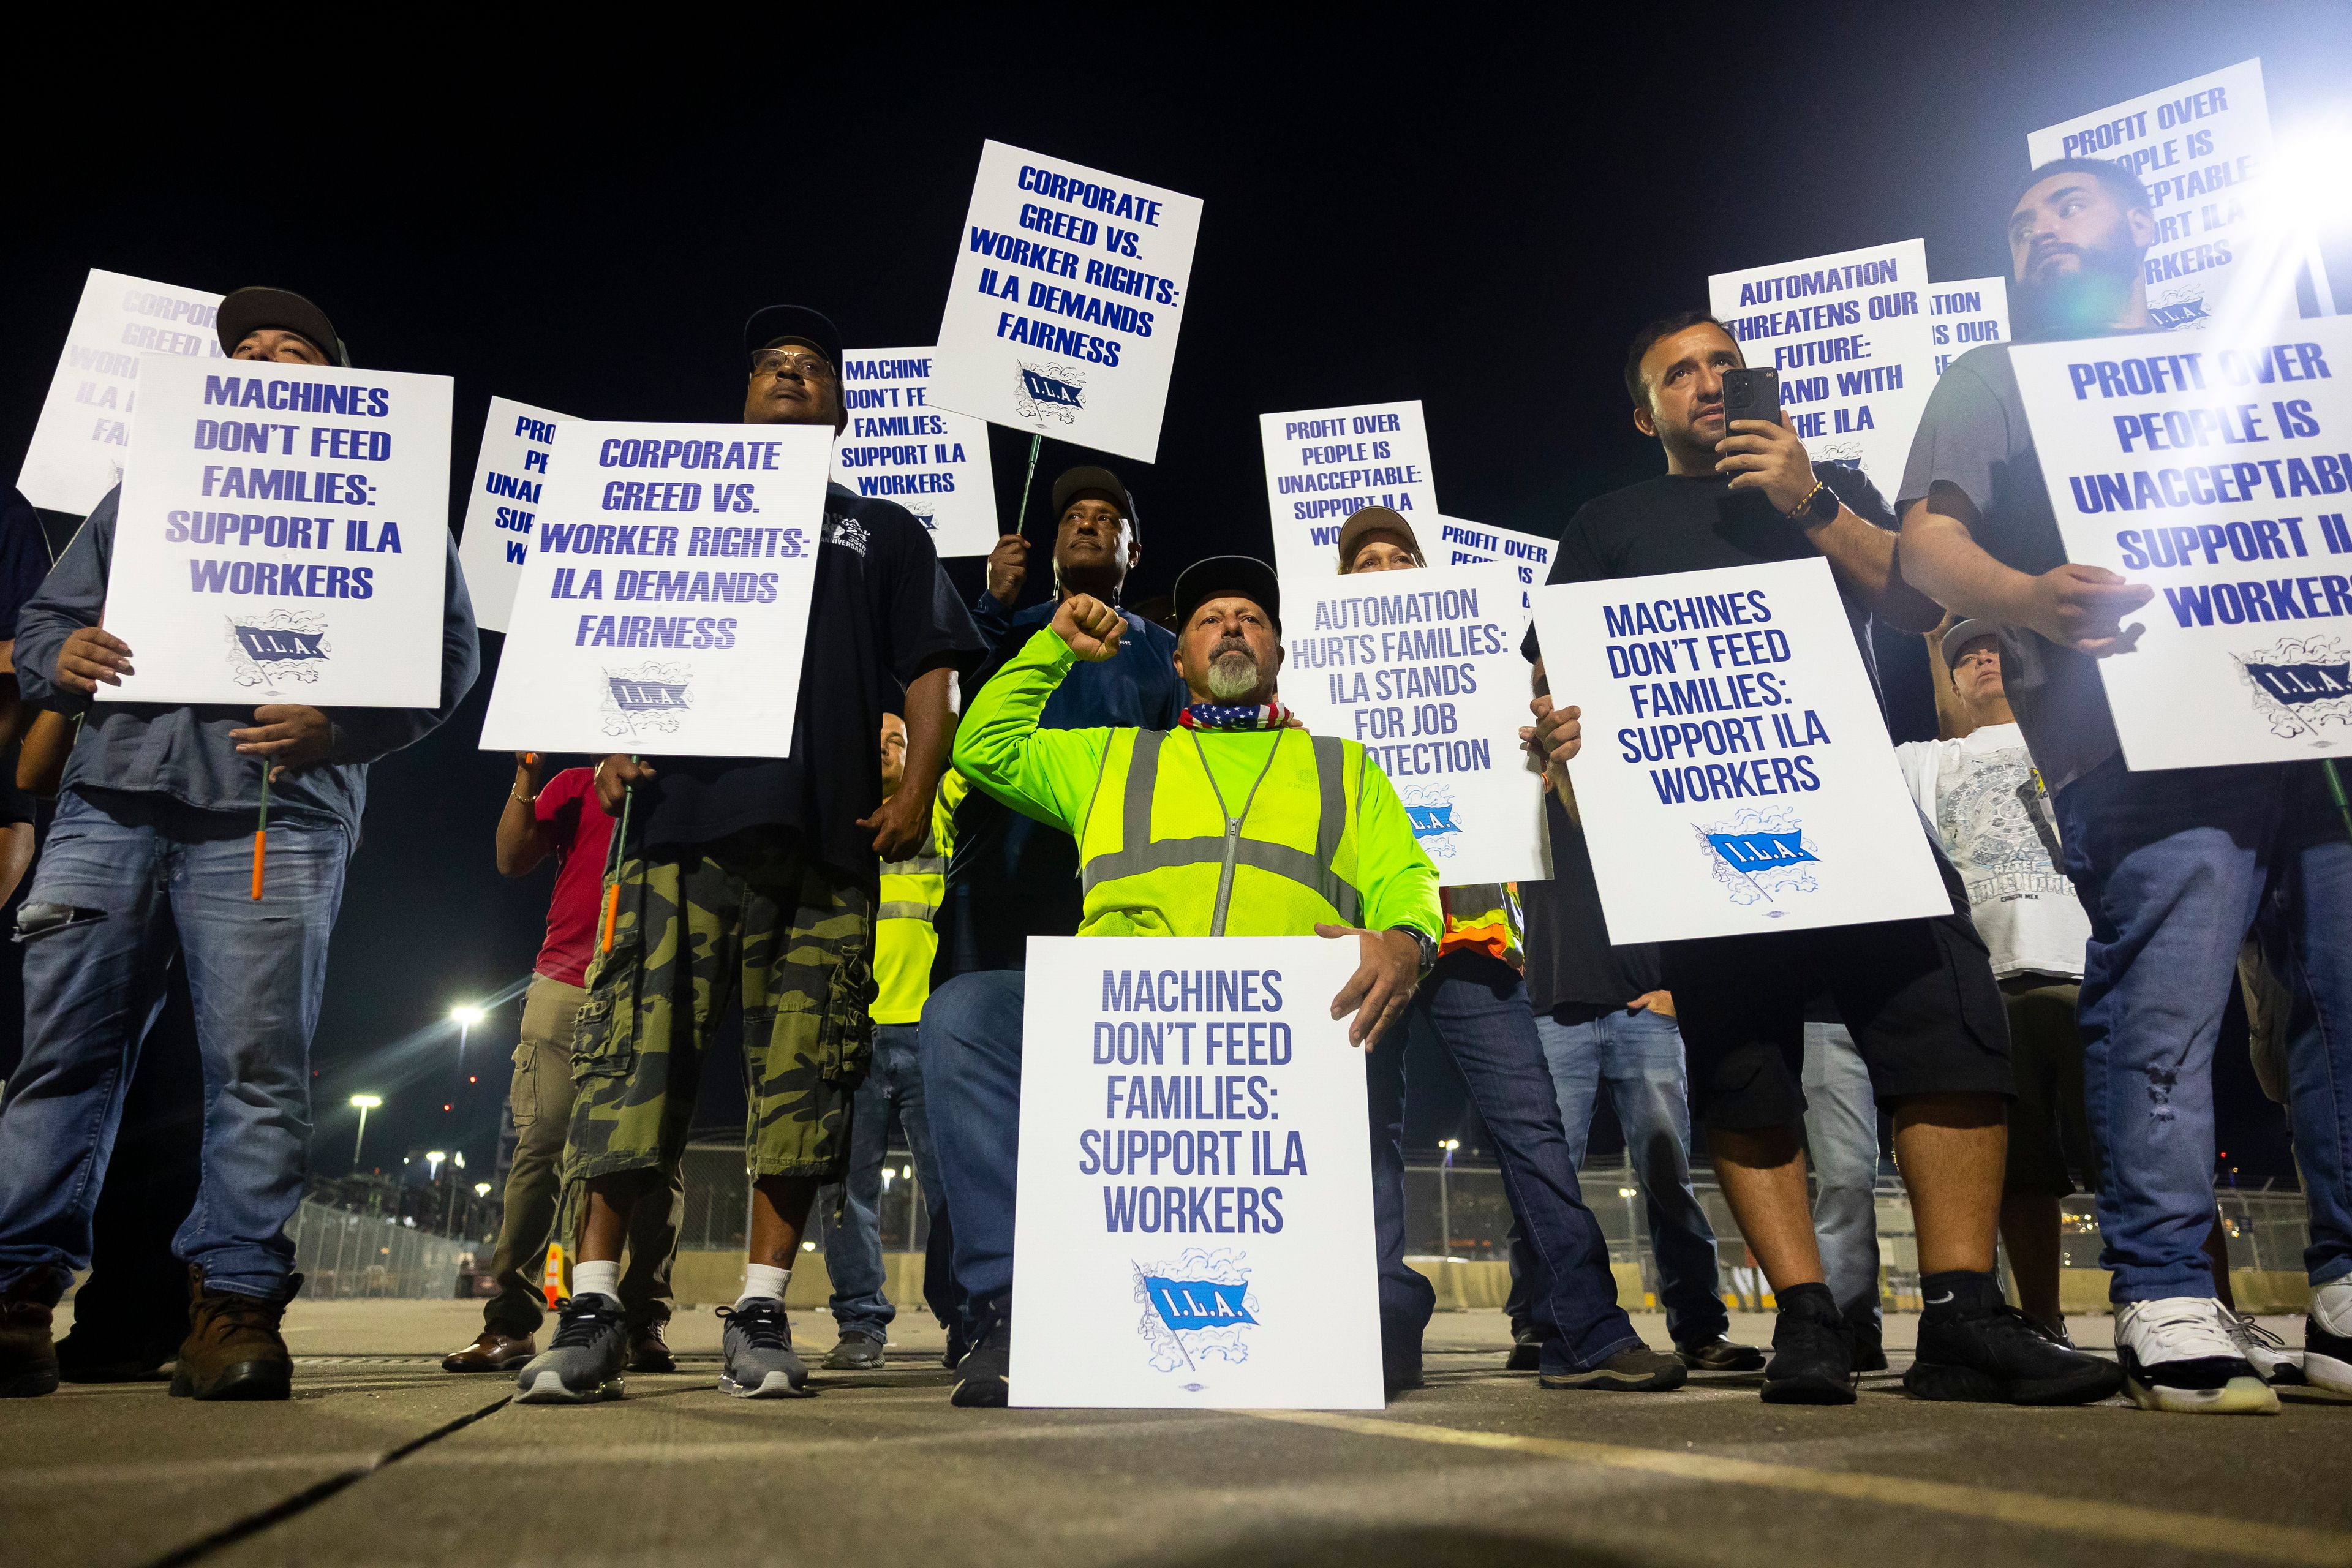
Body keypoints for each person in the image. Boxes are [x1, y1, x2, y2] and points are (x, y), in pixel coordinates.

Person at [1528, 311, 2120, 1407]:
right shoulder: (1608, 521)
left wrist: (1809, 499)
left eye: (1724, 366)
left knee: (1948, 1026)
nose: (1710, 384)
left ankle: (1961, 1317)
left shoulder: (1825, 481)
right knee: (1744, 1064)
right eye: (1681, 374)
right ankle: (1805, 1317)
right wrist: (1556, 742)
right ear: (1644, 410)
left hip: (1851, 812)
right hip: (1705, 831)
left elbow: (1917, 600)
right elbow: (1558, 679)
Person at [1898, 157, 2352, 1410]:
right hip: (2129, 743)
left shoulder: (2251, 355)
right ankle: (2159, 1289)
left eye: (2068, 206)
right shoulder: (1991, 376)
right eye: (2020, 217)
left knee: (2338, 1004)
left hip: (2304, 735)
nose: (2039, 227)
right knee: (2164, 1013)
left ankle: (2345, 1291)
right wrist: (2032, 597)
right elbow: (1930, 544)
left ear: (2142, 224)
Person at [0, 287, 481, 1400]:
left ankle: (233, 1305)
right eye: (245, 350)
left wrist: (342, 729)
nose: (262, 360)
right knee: (60, 1058)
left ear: (338, 385)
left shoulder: (391, 492)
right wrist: (58, 657)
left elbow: (448, 656)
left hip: (274, 814)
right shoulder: (150, 488)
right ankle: (19, 1297)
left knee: (258, 1069)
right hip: (113, 801)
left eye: (291, 350)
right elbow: (42, 623)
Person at [513, 306, 985, 1405]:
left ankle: (763, 1304)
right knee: (633, 1065)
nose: (790, 377)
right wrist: (612, 740)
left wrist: (913, 784)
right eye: (771, 365)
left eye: (813, 369)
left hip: (823, 847)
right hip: (678, 832)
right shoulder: (675, 512)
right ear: (742, 398)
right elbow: (603, 634)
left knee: (806, 1080)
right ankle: (589, 1303)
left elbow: (931, 668)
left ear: (840, 409)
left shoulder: (882, 530)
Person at [938, 553, 1535, 1406]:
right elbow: (985, 748)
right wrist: (1052, 649)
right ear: (1178, 658)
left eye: (1251, 617)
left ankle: (1372, 1300)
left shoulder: (1343, 767)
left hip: (1282, 1037)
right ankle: (1007, 1304)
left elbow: (1406, 873)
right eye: (1209, 618)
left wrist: (1406, 939)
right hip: (1127, 1035)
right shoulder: (1111, 758)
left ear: (1279, 654)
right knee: (967, 1012)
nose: (1230, 626)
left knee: (1367, 1032)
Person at [1336, 507, 1704, 1388]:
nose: (1385, 570)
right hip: (1366, 939)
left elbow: (1564, 823)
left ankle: (1583, 1327)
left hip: (1470, 940)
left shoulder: (1490, 679)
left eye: (1400, 557)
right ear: (1340, 586)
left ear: (1427, 575)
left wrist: (1554, 761)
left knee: (1534, 1134)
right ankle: (1377, 1333)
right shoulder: (1319, 680)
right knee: (1366, 1139)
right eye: (1366, 561)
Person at [921, 465, 1185, 1385]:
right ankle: (979, 1304)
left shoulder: (1166, 651)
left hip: (1108, 895)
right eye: (1071, 516)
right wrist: (991, 609)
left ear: (1132, 550)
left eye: (1105, 519)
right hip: (1000, 887)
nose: (1086, 526)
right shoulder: (1012, 628)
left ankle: (1099, 1284)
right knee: (976, 1076)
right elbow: (951, 712)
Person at [442, 756, 682, 1376]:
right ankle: (512, 1321)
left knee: (652, 1158)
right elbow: (510, 857)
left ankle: (640, 1318)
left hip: (652, 984)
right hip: (565, 982)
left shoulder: (691, 776)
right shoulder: (576, 781)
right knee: (540, 1147)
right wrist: (525, 775)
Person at [1513, 785, 1750, 1371]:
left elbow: (1698, 878)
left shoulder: (1637, 776)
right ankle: (1541, 1324)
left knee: (1668, 1173)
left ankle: (1699, 1327)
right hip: (1551, 1007)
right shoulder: (1514, 789)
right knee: (1544, 1178)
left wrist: (1682, 991)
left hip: (1644, 1009)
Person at [816, 713, 957, 1371]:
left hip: (931, 1032)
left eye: (898, 740)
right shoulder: (836, 822)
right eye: (873, 741)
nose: (885, 750)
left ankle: (967, 1316)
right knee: (847, 1190)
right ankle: (860, 1322)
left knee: (954, 1188)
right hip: (855, 1033)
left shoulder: (942, 808)